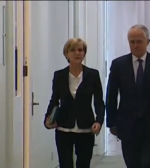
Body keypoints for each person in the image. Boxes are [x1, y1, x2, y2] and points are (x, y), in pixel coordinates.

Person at [106, 24, 150, 168]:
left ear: (148, 41)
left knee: (148, 163)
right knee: (132, 163)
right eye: (132, 42)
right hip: (127, 124)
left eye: (139, 41)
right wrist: (112, 122)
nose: (135, 45)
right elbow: (111, 95)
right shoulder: (118, 64)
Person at [44, 38, 105, 168]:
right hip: (63, 128)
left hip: (86, 128)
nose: (77, 53)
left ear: (84, 53)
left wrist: (99, 121)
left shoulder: (93, 75)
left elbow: (99, 102)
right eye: (73, 50)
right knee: (65, 164)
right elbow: (54, 100)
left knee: (83, 164)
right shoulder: (59, 75)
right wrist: (47, 119)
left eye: (80, 50)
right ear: (66, 54)